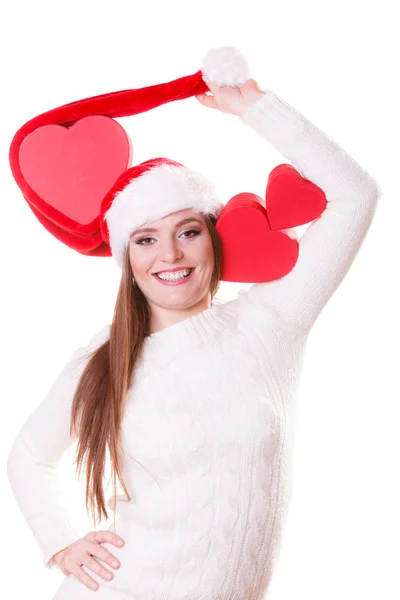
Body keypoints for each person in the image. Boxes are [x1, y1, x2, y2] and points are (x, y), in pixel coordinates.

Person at [7, 64, 380, 600]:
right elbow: (28, 456)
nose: (171, 256)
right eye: (146, 240)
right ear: (126, 258)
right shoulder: (103, 359)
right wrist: (60, 543)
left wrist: (255, 106)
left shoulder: (270, 321)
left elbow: (355, 196)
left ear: (212, 237)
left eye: (187, 231)